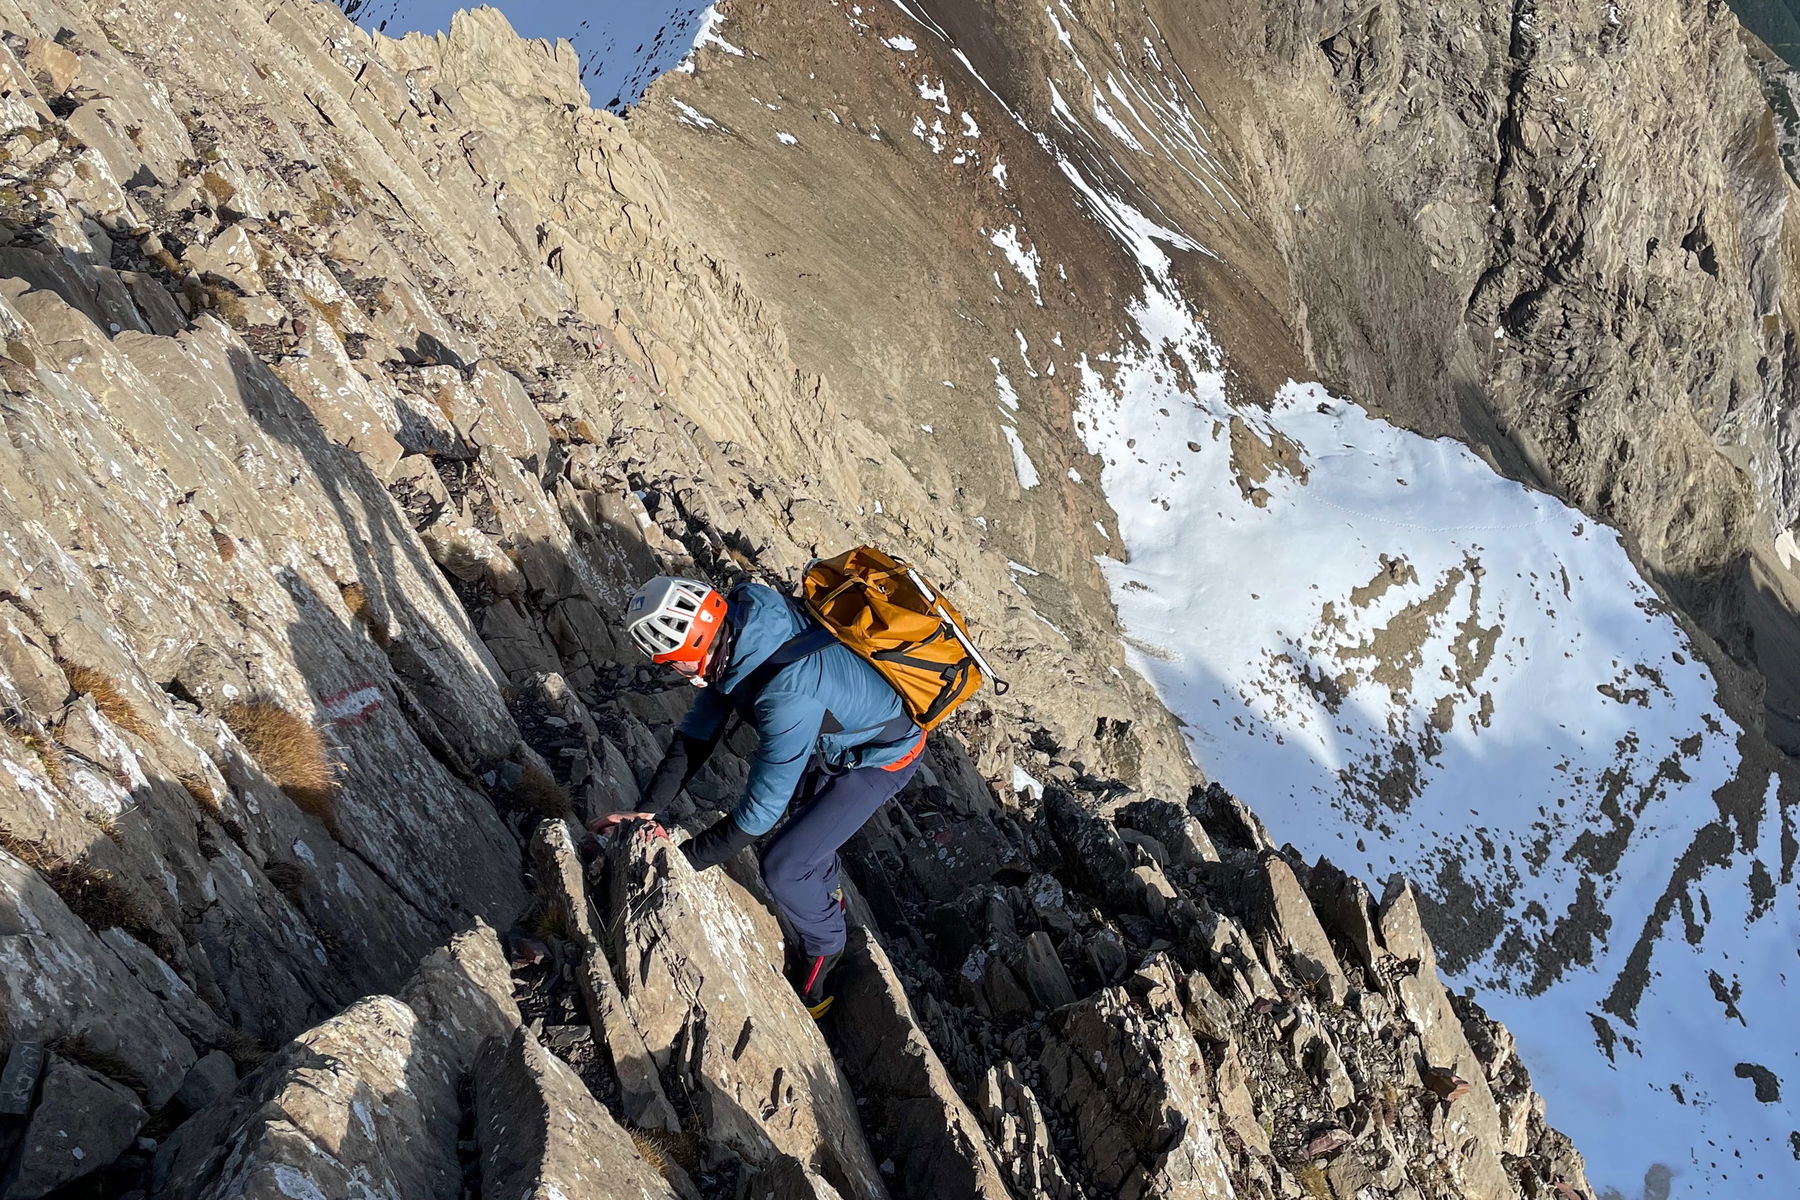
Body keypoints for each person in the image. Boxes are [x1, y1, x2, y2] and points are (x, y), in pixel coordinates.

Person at [596, 575, 926, 1016]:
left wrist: (680, 861)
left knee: (784, 867)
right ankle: (825, 894)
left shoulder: (784, 693)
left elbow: (758, 816)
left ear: (691, 655)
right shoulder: (741, 625)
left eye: (671, 663)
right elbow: (697, 736)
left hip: (885, 758)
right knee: (805, 823)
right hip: (842, 733)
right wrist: (645, 813)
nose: (672, 672)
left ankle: (825, 952)